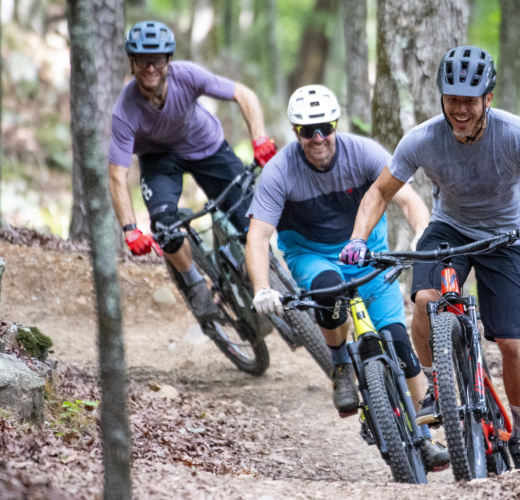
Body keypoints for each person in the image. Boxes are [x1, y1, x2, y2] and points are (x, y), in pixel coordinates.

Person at [340, 46, 520, 469]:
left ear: (488, 98)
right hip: (450, 228)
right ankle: (437, 387)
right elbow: (379, 191)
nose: (460, 109)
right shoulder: (423, 139)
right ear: (441, 99)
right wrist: (358, 238)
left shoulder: (516, 133)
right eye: (452, 100)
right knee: (426, 301)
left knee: (510, 342)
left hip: (508, 237)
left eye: (470, 100)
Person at [245, 84, 450, 471]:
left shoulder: (364, 153)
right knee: (327, 294)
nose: (318, 138)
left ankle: (425, 438)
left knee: (400, 343)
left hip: (367, 252)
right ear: (295, 133)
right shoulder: (279, 171)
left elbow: (407, 199)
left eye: (324, 127)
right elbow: (257, 236)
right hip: (311, 253)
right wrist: (262, 288)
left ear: (336, 124)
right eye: (308, 131)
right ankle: (340, 364)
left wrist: (422, 230)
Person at [108, 21, 276, 324]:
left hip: (207, 146)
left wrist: (260, 137)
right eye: (142, 60)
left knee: (250, 218)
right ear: (131, 62)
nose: (150, 67)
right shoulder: (125, 110)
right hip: (159, 160)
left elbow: (243, 94)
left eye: (157, 59)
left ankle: (258, 270)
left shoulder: (188, 76)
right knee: (166, 229)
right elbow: (117, 176)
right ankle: (194, 283)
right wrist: (130, 229)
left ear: (168, 61)